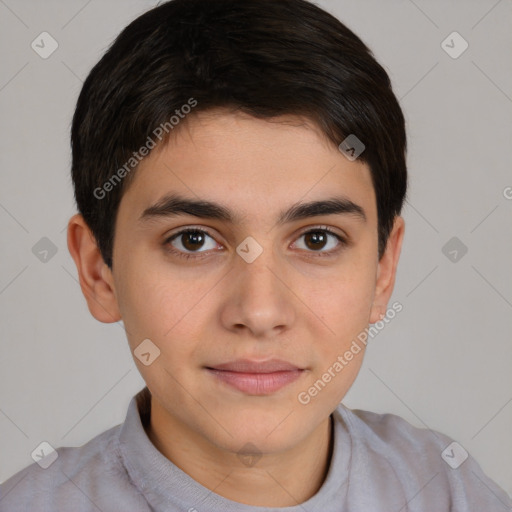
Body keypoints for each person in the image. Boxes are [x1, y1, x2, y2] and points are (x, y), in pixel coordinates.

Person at [1, 0, 510, 510]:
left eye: (317, 239)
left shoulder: (451, 492)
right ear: (99, 272)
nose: (260, 312)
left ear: (383, 270)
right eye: (193, 240)